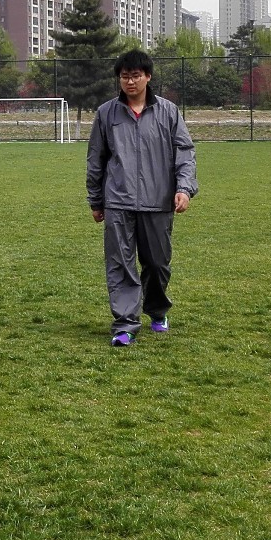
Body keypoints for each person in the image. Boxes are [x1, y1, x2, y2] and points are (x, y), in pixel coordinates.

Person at [87, 49, 197, 347]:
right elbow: (96, 159)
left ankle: (157, 310)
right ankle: (125, 324)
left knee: (157, 263)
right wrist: (96, 201)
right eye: (125, 77)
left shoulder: (168, 112)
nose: (130, 82)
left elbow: (185, 154)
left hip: (158, 201)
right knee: (120, 264)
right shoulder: (106, 114)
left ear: (148, 77)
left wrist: (184, 188)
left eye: (136, 76)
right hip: (118, 203)